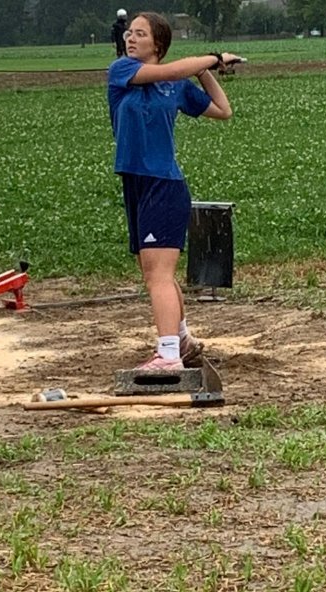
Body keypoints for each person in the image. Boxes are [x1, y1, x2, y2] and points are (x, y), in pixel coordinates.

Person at [107, 11, 238, 371]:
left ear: (158, 44)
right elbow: (169, 71)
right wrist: (213, 57)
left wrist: (204, 71)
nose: (130, 39)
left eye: (140, 34)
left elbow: (223, 110)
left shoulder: (177, 86)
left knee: (159, 275)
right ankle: (180, 339)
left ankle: (167, 356)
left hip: (163, 185)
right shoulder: (121, 72)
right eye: (129, 33)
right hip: (135, 183)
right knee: (154, 274)